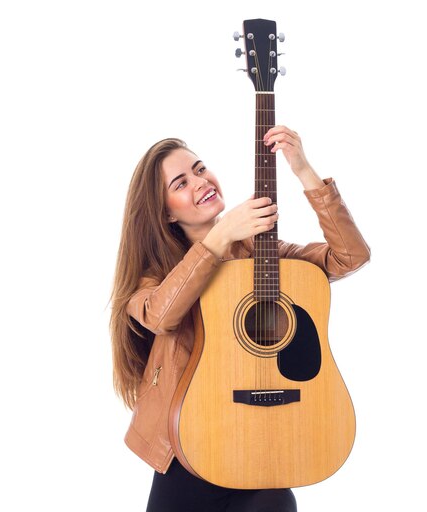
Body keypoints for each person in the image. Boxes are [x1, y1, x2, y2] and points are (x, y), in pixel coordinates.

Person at [109, 126, 370, 511]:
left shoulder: (258, 253)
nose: (200, 182)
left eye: (200, 169)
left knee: (277, 504)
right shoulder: (152, 274)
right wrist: (218, 237)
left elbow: (350, 256)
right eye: (181, 183)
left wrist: (303, 171)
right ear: (165, 211)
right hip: (188, 449)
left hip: (268, 442)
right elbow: (161, 314)